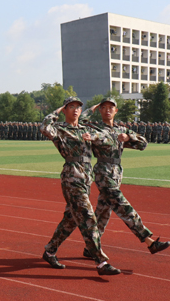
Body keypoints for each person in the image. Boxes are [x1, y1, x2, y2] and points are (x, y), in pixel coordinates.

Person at [39, 97, 121, 276]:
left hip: (86, 177)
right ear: (65, 110)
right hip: (72, 178)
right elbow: (44, 127)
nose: (75, 110)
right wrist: (57, 110)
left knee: (70, 219)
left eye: (78, 107)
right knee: (88, 216)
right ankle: (101, 262)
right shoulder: (60, 129)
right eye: (71, 107)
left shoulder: (84, 128)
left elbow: (83, 117)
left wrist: (94, 108)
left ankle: (50, 251)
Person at [80, 98, 170, 256]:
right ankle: (149, 241)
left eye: (111, 107)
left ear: (116, 111)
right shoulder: (95, 128)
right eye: (104, 107)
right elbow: (81, 122)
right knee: (122, 204)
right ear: (100, 110)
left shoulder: (121, 130)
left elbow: (143, 144)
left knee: (103, 212)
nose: (107, 110)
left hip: (117, 172)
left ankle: (90, 248)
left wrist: (129, 138)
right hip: (103, 171)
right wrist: (92, 108)